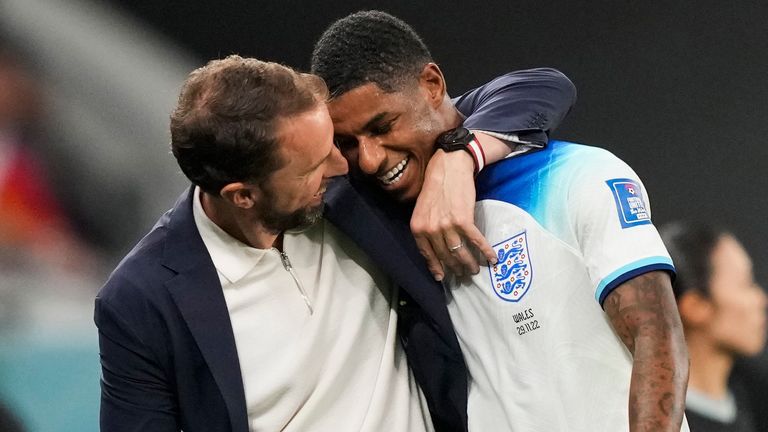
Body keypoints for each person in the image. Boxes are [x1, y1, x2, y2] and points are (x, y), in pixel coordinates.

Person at [95, 55, 576, 431]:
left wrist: (459, 157)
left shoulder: (356, 180)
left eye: (332, 143)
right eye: (313, 165)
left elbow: (540, 87)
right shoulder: (141, 302)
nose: (344, 165)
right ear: (243, 196)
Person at [311, 10, 690, 431]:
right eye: (347, 142)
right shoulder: (373, 220)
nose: (370, 159)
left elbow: (656, 337)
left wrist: (459, 153)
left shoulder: (576, 176)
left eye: (383, 126)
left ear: (432, 86)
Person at [661, 222, 767, 432]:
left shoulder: (757, 397)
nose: (761, 300)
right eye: (745, 284)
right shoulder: (657, 418)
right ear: (696, 307)